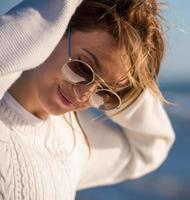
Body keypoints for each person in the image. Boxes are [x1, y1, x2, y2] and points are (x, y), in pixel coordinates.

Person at [0, 0, 175, 199]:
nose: (84, 95)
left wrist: (128, 81)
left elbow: (151, 146)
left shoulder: (74, 143)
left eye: (104, 92)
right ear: (56, 30)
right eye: (83, 68)